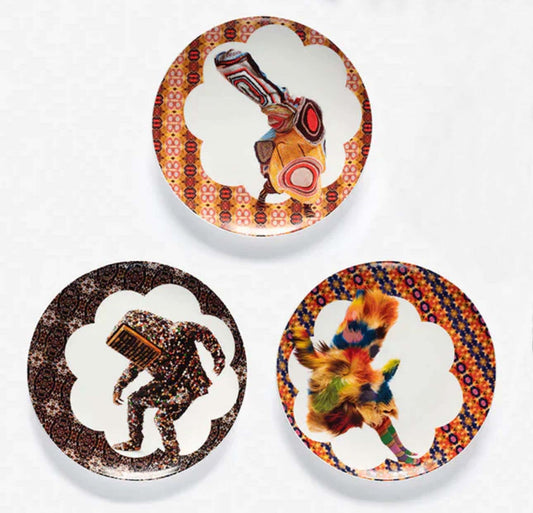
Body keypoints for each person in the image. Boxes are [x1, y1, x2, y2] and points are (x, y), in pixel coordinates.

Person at [109, 310, 225, 454]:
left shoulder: (178, 330)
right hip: (165, 384)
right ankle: (135, 442)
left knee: (162, 417)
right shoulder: (144, 351)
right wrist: (119, 386)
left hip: (189, 381)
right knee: (134, 400)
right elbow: (133, 367)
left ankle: (172, 452)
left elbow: (203, 332)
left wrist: (218, 357)